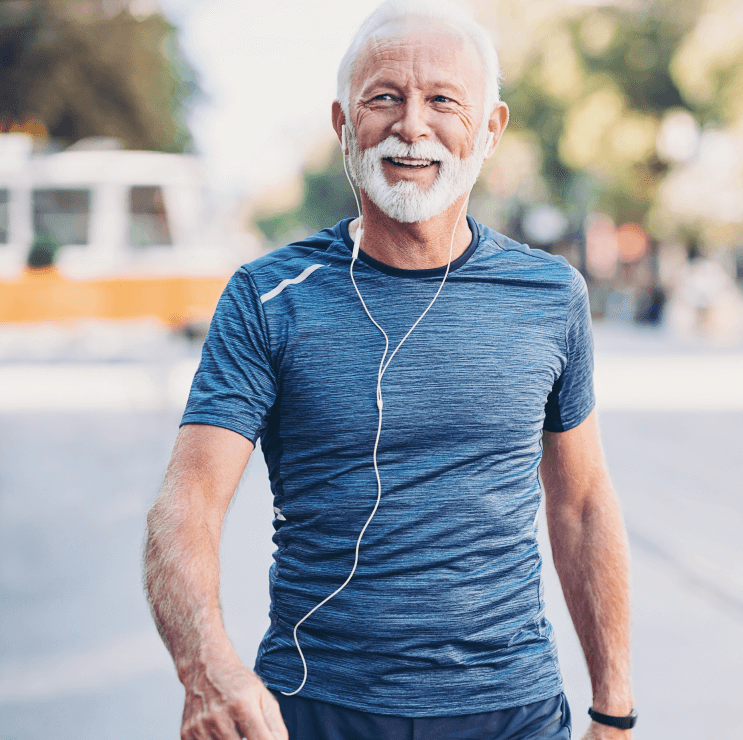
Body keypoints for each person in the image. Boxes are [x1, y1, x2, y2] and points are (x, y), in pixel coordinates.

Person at [141, 2, 636, 738]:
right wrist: (208, 671)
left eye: (443, 100)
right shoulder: (267, 297)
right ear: (343, 124)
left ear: (490, 129)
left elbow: (584, 504)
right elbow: (184, 509)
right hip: (316, 709)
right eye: (384, 98)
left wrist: (614, 708)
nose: (412, 125)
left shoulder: (550, 294)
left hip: (511, 710)